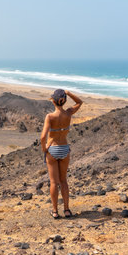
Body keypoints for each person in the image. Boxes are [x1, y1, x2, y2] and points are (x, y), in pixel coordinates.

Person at [40, 89, 83, 219]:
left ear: (53, 101)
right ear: (64, 101)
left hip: (52, 149)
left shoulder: (50, 116)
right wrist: (68, 93)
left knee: (54, 182)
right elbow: (79, 102)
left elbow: (43, 137)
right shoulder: (69, 113)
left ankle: (54, 211)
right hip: (64, 148)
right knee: (63, 181)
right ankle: (67, 210)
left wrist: (44, 149)